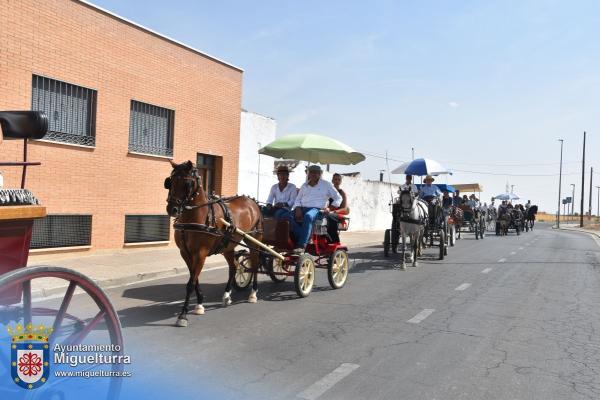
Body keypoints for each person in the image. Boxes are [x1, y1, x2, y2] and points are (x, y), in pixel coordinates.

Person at [290, 165, 342, 252]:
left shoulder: (326, 185)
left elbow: (339, 198)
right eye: (311, 172)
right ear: (308, 174)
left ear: (320, 174)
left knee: (308, 216)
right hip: (302, 208)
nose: (313, 174)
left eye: (316, 172)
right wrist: (298, 208)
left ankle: (302, 245)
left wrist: (330, 208)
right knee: (286, 216)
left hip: (317, 210)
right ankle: (304, 235)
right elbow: (297, 200)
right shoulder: (304, 185)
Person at [327, 173, 350, 243]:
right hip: (327, 211)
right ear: (332, 180)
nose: (337, 181)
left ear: (340, 182)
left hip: (337, 213)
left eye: (339, 180)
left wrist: (334, 212)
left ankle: (335, 241)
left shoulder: (342, 193)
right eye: (335, 179)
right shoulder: (328, 191)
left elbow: (345, 209)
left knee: (329, 216)